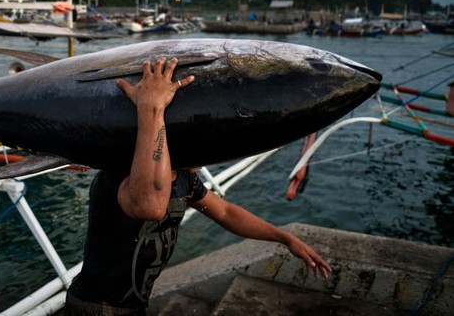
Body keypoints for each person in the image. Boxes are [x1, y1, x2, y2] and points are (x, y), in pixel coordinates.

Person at [63, 57, 332, 315]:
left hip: (132, 306)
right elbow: (151, 206)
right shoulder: (121, 175)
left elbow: (226, 213)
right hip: (95, 307)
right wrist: (151, 106)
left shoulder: (183, 178)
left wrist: (285, 238)